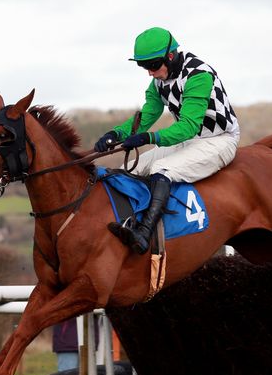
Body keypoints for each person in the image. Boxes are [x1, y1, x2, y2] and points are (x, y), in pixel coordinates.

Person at [94, 26, 240, 254]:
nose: (149, 73)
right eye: (144, 67)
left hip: (219, 140)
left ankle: (144, 235)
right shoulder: (158, 82)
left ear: (170, 56)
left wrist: (149, 138)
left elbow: (189, 126)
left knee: (161, 169)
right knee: (125, 171)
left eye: (152, 65)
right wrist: (116, 134)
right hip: (189, 141)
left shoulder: (199, 75)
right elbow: (145, 118)